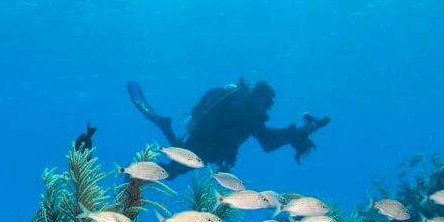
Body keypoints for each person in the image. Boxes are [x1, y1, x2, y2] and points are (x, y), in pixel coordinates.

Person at [127, 79, 329, 170]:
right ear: (259, 97)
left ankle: (165, 127)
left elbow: (267, 136)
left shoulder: (245, 110)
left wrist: (299, 132)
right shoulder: (244, 112)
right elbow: (268, 142)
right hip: (204, 148)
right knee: (171, 171)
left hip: (205, 144)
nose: (268, 109)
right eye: (268, 103)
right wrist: (304, 130)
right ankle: (138, 170)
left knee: (174, 165)